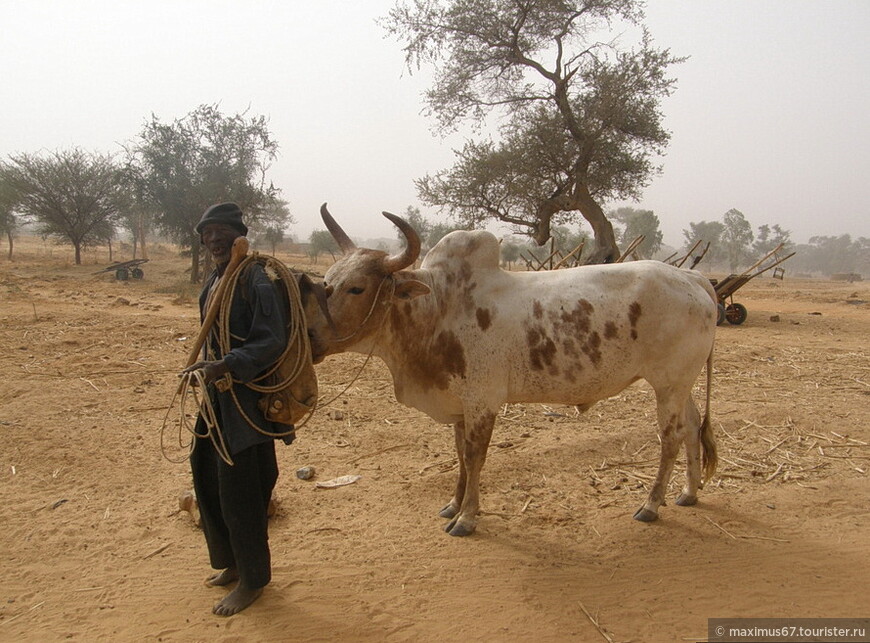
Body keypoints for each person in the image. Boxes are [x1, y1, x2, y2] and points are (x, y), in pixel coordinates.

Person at [183, 202, 293, 616]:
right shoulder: (216, 278)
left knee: (241, 491)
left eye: (220, 231)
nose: (212, 238)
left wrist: (227, 365)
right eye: (206, 232)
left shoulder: (254, 278)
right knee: (207, 478)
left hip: (247, 400)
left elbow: (272, 341)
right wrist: (205, 366)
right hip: (216, 397)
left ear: (238, 234)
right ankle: (230, 563)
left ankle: (252, 580)